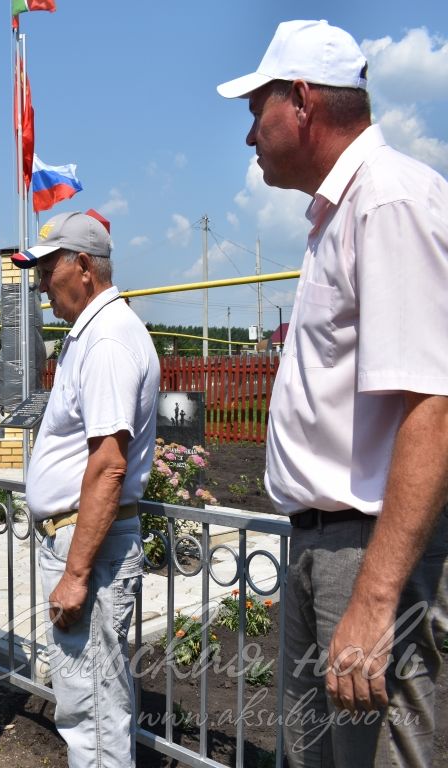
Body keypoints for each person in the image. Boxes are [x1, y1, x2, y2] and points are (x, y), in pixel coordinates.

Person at [218, 20, 448, 767]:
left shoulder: (387, 202)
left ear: (303, 101)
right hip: (323, 542)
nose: (251, 134)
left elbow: (434, 410)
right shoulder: (339, 214)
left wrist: (377, 599)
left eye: (258, 109)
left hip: (369, 546)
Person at [15, 211, 160, 767]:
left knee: (92, 710)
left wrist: (76, 575)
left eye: (48, 269)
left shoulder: (106, 341)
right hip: (82, 542)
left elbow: (107, 465)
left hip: (89, 551)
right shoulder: (96, 334)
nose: (40, 283)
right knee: (89, 701)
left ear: (82, 267)